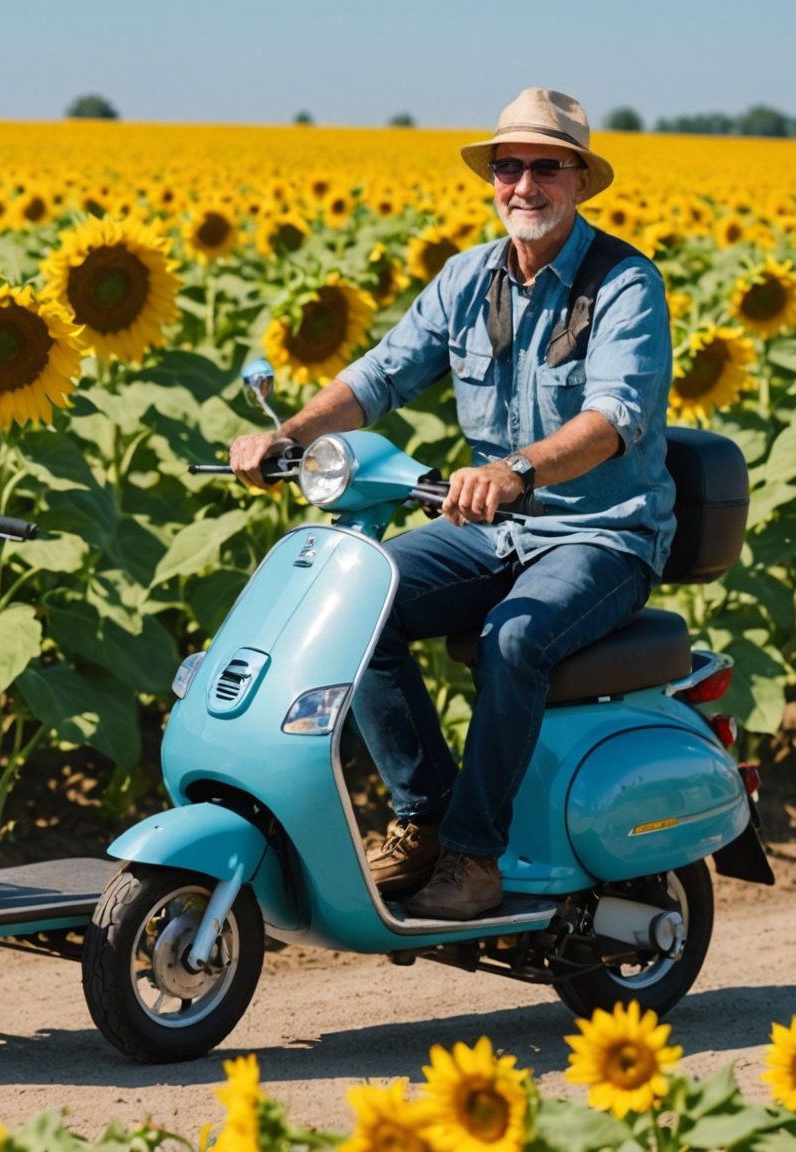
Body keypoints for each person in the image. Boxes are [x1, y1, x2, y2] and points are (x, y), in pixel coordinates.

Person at [229, 88, 676, 920]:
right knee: (356, 603)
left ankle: (475, 860)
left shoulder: (624, 282)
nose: (524, 184)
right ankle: (427, 818)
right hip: (493, 532)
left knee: (514, 640)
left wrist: (516, 470)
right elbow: (379, 376)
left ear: (580, 180)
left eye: (547, 167)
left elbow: (614, 418)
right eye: (510, 167)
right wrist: (285, 434)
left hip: (602, 536)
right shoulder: (467, 278)